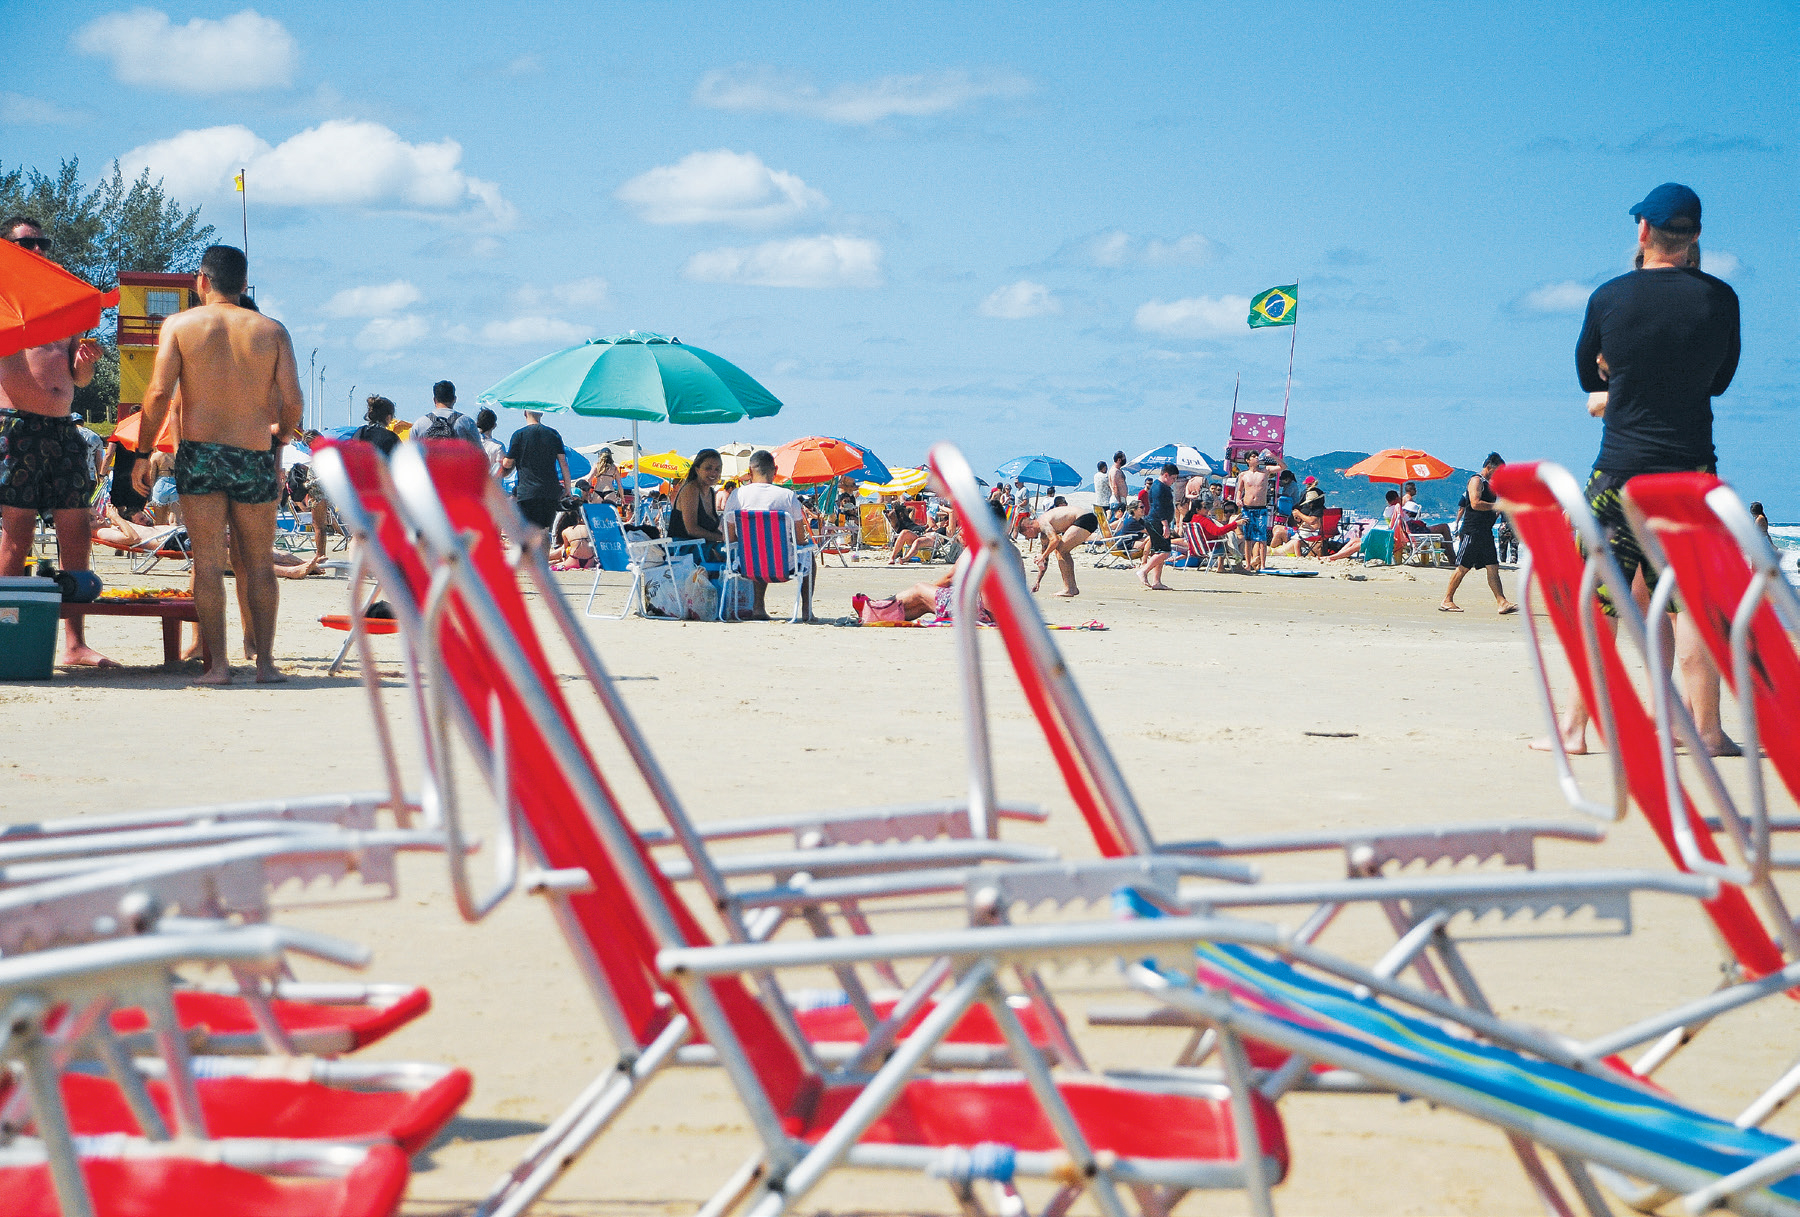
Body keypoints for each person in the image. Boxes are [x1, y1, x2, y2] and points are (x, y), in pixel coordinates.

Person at [1541, 181, 1741, 757]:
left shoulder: (1610, 297)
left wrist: (1616, 383)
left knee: (1597, 600)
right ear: (1697, 235)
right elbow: (1719, 381)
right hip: (1691, 477)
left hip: (1619, 472)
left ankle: (1577, 728)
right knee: (1695, 604)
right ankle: (1703, 728)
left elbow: (1587, 376)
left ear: (1644, 231)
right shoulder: (1720, 300)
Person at [131, 244, 302, 684]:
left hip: (202, 453)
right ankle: (264, 664)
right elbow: (293, 401)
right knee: (260, 563)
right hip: (254, 452)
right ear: (244, 285)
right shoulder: (272, 330)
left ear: (201, 280)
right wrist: (281, 437)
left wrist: (141, 451)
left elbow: (157, 394)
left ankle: (219, 666)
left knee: (207, 562)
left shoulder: (180, 325)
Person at [0, 216, 114, 667]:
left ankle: (75, 643)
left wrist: (87, 361)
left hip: (63, 428)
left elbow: (77, 377)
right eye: (27, 243)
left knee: (76, 530)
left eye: (42, 242)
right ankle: (6, 637)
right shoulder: (4, 301)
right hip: (17, 427)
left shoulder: (60, 305)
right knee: (17, 536)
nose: (38, 250)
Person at [723, 448, 813, 620]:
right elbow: (800, 540)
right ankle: (807, 610)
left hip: (747, 566)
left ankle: (758, 607)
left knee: (757, 549)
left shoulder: (737, 495)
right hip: (785, 567)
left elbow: (729, 537)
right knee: (809, 556)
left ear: (750, 472)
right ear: (775, 470)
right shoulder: (787, 496)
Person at [1440, 454, 1518, 614]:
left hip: (1485, 532)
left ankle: (1501, 601)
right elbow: (1475, 504)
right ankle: (1447, 600)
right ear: (1489, 467)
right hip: (1472, 531)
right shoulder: (1476, 480)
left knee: (1493, 566)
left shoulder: (1490, 485)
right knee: (1463, 567)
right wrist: (1497, 506)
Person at [501, 409, 570, 531]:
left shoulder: (518, 435)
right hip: (550, 492)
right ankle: (545, 550)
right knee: (547, 531)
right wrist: (568, 490)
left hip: (527, 493)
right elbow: (563, 463)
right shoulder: (553, 434)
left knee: (529, 532)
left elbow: (507, 463)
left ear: (525, 413)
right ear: (541, 413)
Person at [1021, 499, 1098, 596]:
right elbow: (1044, 561)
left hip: (1085, 518)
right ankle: (1072, 588)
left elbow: (1055, 540)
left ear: (1029, 527)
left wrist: (1043, 555)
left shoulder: (1042, 522)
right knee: (1062, 551)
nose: (1027, 538)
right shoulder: (1044, 535)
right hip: (1086, 519)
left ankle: (1068, 589)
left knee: (1060, 550)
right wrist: (1038, 581)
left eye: (1026, 535)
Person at [667, 447, 724, 561]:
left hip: (701, 545)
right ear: (697, 469)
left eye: (717, 469)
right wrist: (722, 538)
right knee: (733, 555)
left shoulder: (711, 492)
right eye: (708, 468)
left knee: (738, 550)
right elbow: (692, 529)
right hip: (682, 549)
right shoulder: (691, 489)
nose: (714, 473)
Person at [1137, 462, 1178, 589]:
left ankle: (1156, 581)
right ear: (1166, 475)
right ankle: (1143, 571)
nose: (1174, 481)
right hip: (1156, 521)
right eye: (1173, 478)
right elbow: (1159, 507)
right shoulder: (1159, 487)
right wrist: (1165, 524)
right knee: (1165, 552)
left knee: (1159, 551)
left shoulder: (1160, 486)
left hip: (1157, 521)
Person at [1236, 450, 1276, 573]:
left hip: (1261, 508)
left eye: (1257, 456)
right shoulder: (1243, 475)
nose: (1256, 458)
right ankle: (1248, 564)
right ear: (1248, 460)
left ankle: (1263, 565)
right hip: (1248, 508)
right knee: (1248, 538)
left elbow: (1283, 467)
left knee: (1262, 538)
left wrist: (1274, 457)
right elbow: (1239, 490)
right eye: (1253, 456)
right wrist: (1238, 498)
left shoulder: (1265, 471)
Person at [411, 380, 481, 445]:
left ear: (434, 400)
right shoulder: (466, 422)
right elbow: (480, 454)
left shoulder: (419, 424)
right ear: (454, 399)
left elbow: (412, 454)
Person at [475, 407, 506, 475]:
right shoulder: (498, 446)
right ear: (494, 425)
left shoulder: (472, 443)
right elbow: (501, 471)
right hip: (492, 483)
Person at [1107, 451, 1129, 524]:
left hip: (1120, 499)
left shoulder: (1118, 470)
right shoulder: (1114, 471)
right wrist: (1119, 501)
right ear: (1119, 460)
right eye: (1123, 458)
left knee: (1119, 522)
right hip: (1117, 500)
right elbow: (1114, 486)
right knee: (1116, 522)